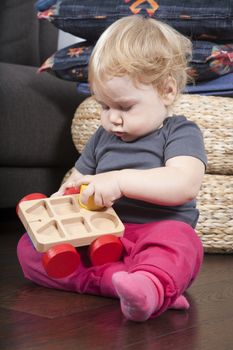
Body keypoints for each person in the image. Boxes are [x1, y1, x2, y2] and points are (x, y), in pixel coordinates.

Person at [17, 15, 207, 322]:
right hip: (100, 240)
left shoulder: (180, 132)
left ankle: (151, 282)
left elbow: (184, 184)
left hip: (152, 234)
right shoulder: (102, 137)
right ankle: (132, 285)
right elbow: (77, 181)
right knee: (29, 249)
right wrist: (60, 203)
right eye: (105, 106)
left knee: (182, 243)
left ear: (167, 91)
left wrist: (118, 181)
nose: (112, 119)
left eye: (125, 107)